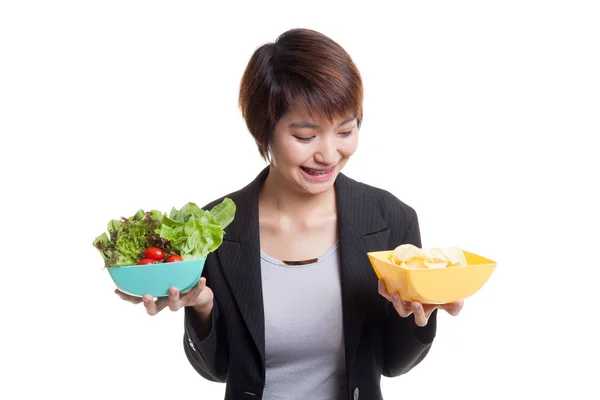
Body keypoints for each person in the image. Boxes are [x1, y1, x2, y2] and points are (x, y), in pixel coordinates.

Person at [116, 28, 464, 400]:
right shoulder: (213, 228)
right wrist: (201, 309)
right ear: (263, 131)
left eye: (345, 130)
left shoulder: (391, 219)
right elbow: (216, 370)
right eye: (304, 137)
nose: (329, 155)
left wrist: (417, 315)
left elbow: (395, 364)